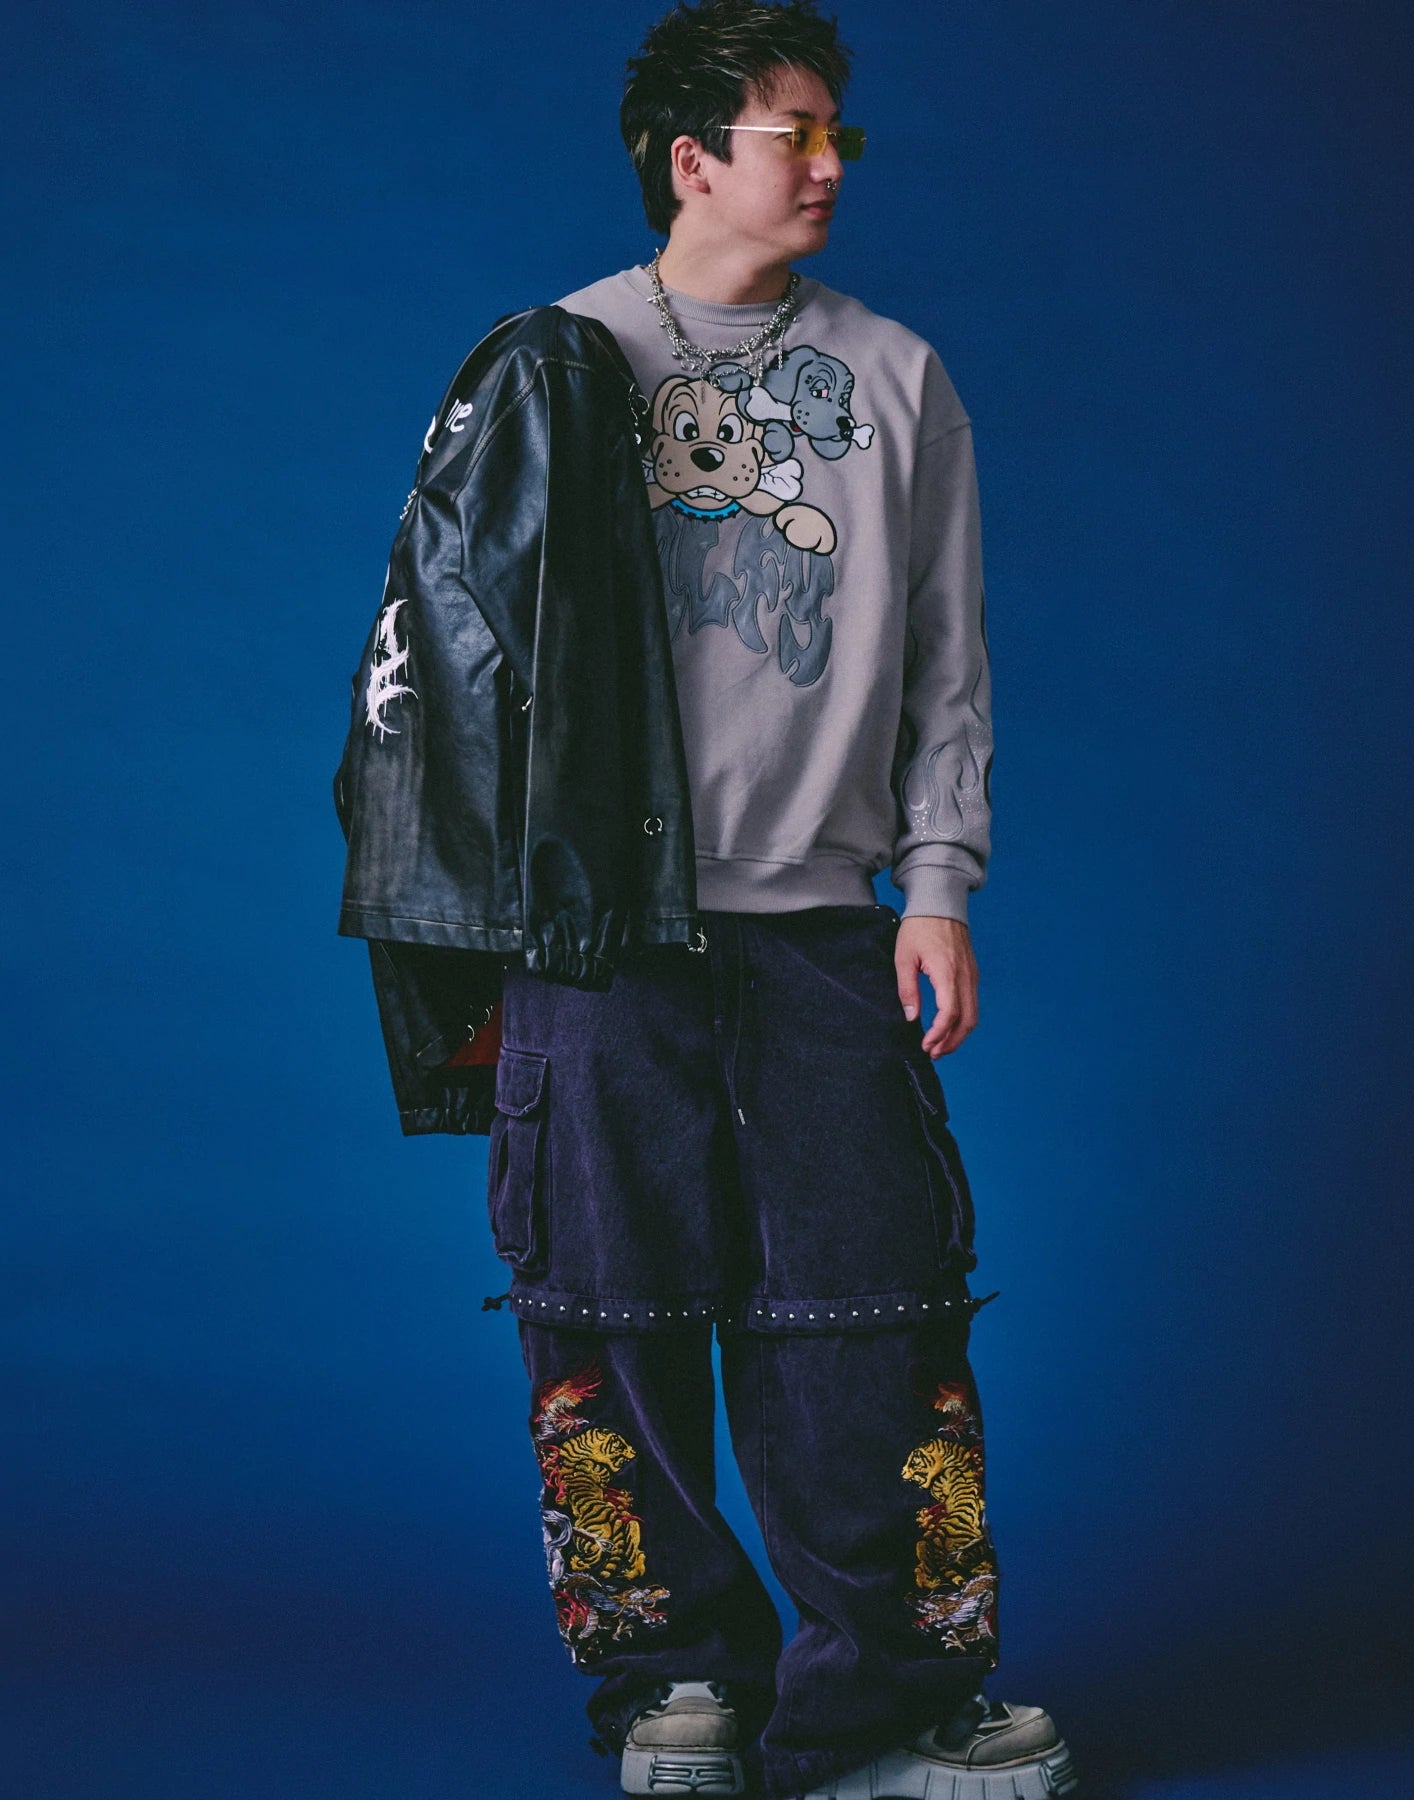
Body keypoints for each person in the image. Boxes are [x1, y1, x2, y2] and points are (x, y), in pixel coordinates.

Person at [485, 4, 1077, 1796]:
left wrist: (939, 883)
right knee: (605, 1315)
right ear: (692, 159)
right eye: (793, 133)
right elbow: (456, 666)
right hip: (601, 934)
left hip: (826, 920)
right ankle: (672, 1686)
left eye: (838, 134)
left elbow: (949, 661)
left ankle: (889, 1701)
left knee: (874, 1309)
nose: (828, 164)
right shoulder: (558, 361)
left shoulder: (896, 376)